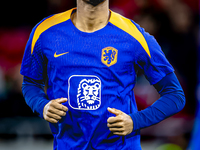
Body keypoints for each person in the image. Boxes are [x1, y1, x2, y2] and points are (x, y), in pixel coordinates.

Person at [20, 0, 186, 149]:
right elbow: (30, 84)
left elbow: (175, 95)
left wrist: (135, 121)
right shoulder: (45, 32)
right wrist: (43, 106)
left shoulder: (134, 37)